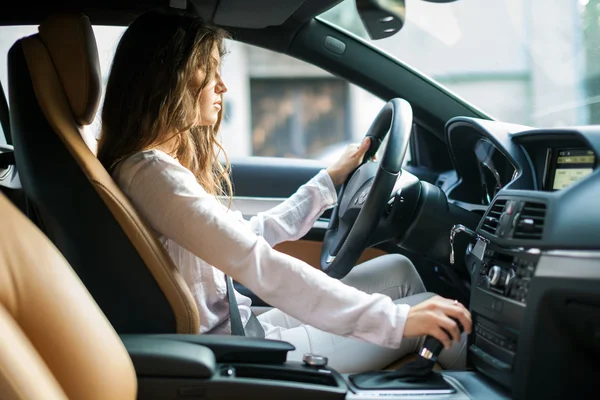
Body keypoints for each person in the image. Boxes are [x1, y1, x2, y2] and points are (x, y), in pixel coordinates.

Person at [97, 9, 471, 373]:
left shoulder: (149, 167)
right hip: (234, 351)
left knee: (401, 270)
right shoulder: (152, 173)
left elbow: (242, 238)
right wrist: (396, 320)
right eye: (208, 70)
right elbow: (255, 261)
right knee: (441, 317)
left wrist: (327, 182)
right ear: (169, 78)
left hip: (240, 329)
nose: (221, 85)